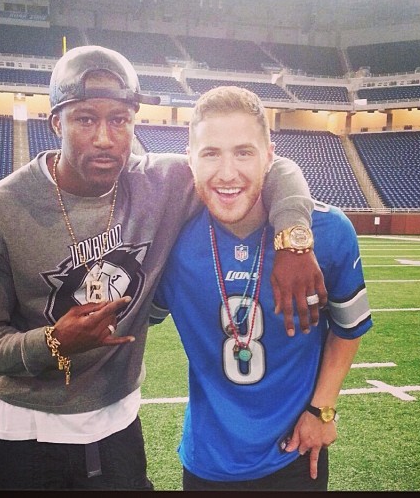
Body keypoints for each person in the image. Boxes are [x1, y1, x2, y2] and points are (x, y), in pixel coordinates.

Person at [0, 46, 326, 490]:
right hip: (25, 431)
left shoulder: (161, 183)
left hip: (117, 422)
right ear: (57, 122)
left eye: (119, 120)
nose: (105, 137)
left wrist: (293, 238)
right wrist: (52, 342)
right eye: (86, 119)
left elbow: (271, 163)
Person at [150, 85, 373, 491]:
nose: (228, 172)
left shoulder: (329, 231)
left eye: (244, 152)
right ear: (190, 160)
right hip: (207, 460)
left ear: (271, 156)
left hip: (294, 455)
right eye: (211, 153)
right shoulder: (171, 240)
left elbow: (348, 327)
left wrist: (322, 409)